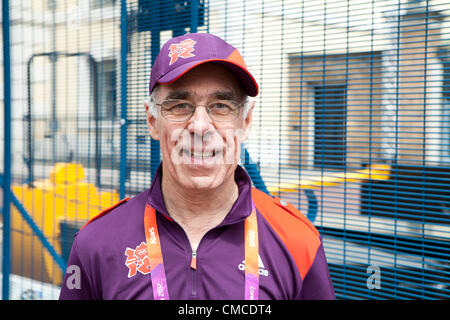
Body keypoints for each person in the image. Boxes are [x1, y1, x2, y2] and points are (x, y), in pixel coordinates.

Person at [59, 32, 335, 300]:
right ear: (153, 121)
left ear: (245, 122)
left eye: (221, 106)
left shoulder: (298, 242)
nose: (200, 126)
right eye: (179, 105)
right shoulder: (97, 243)